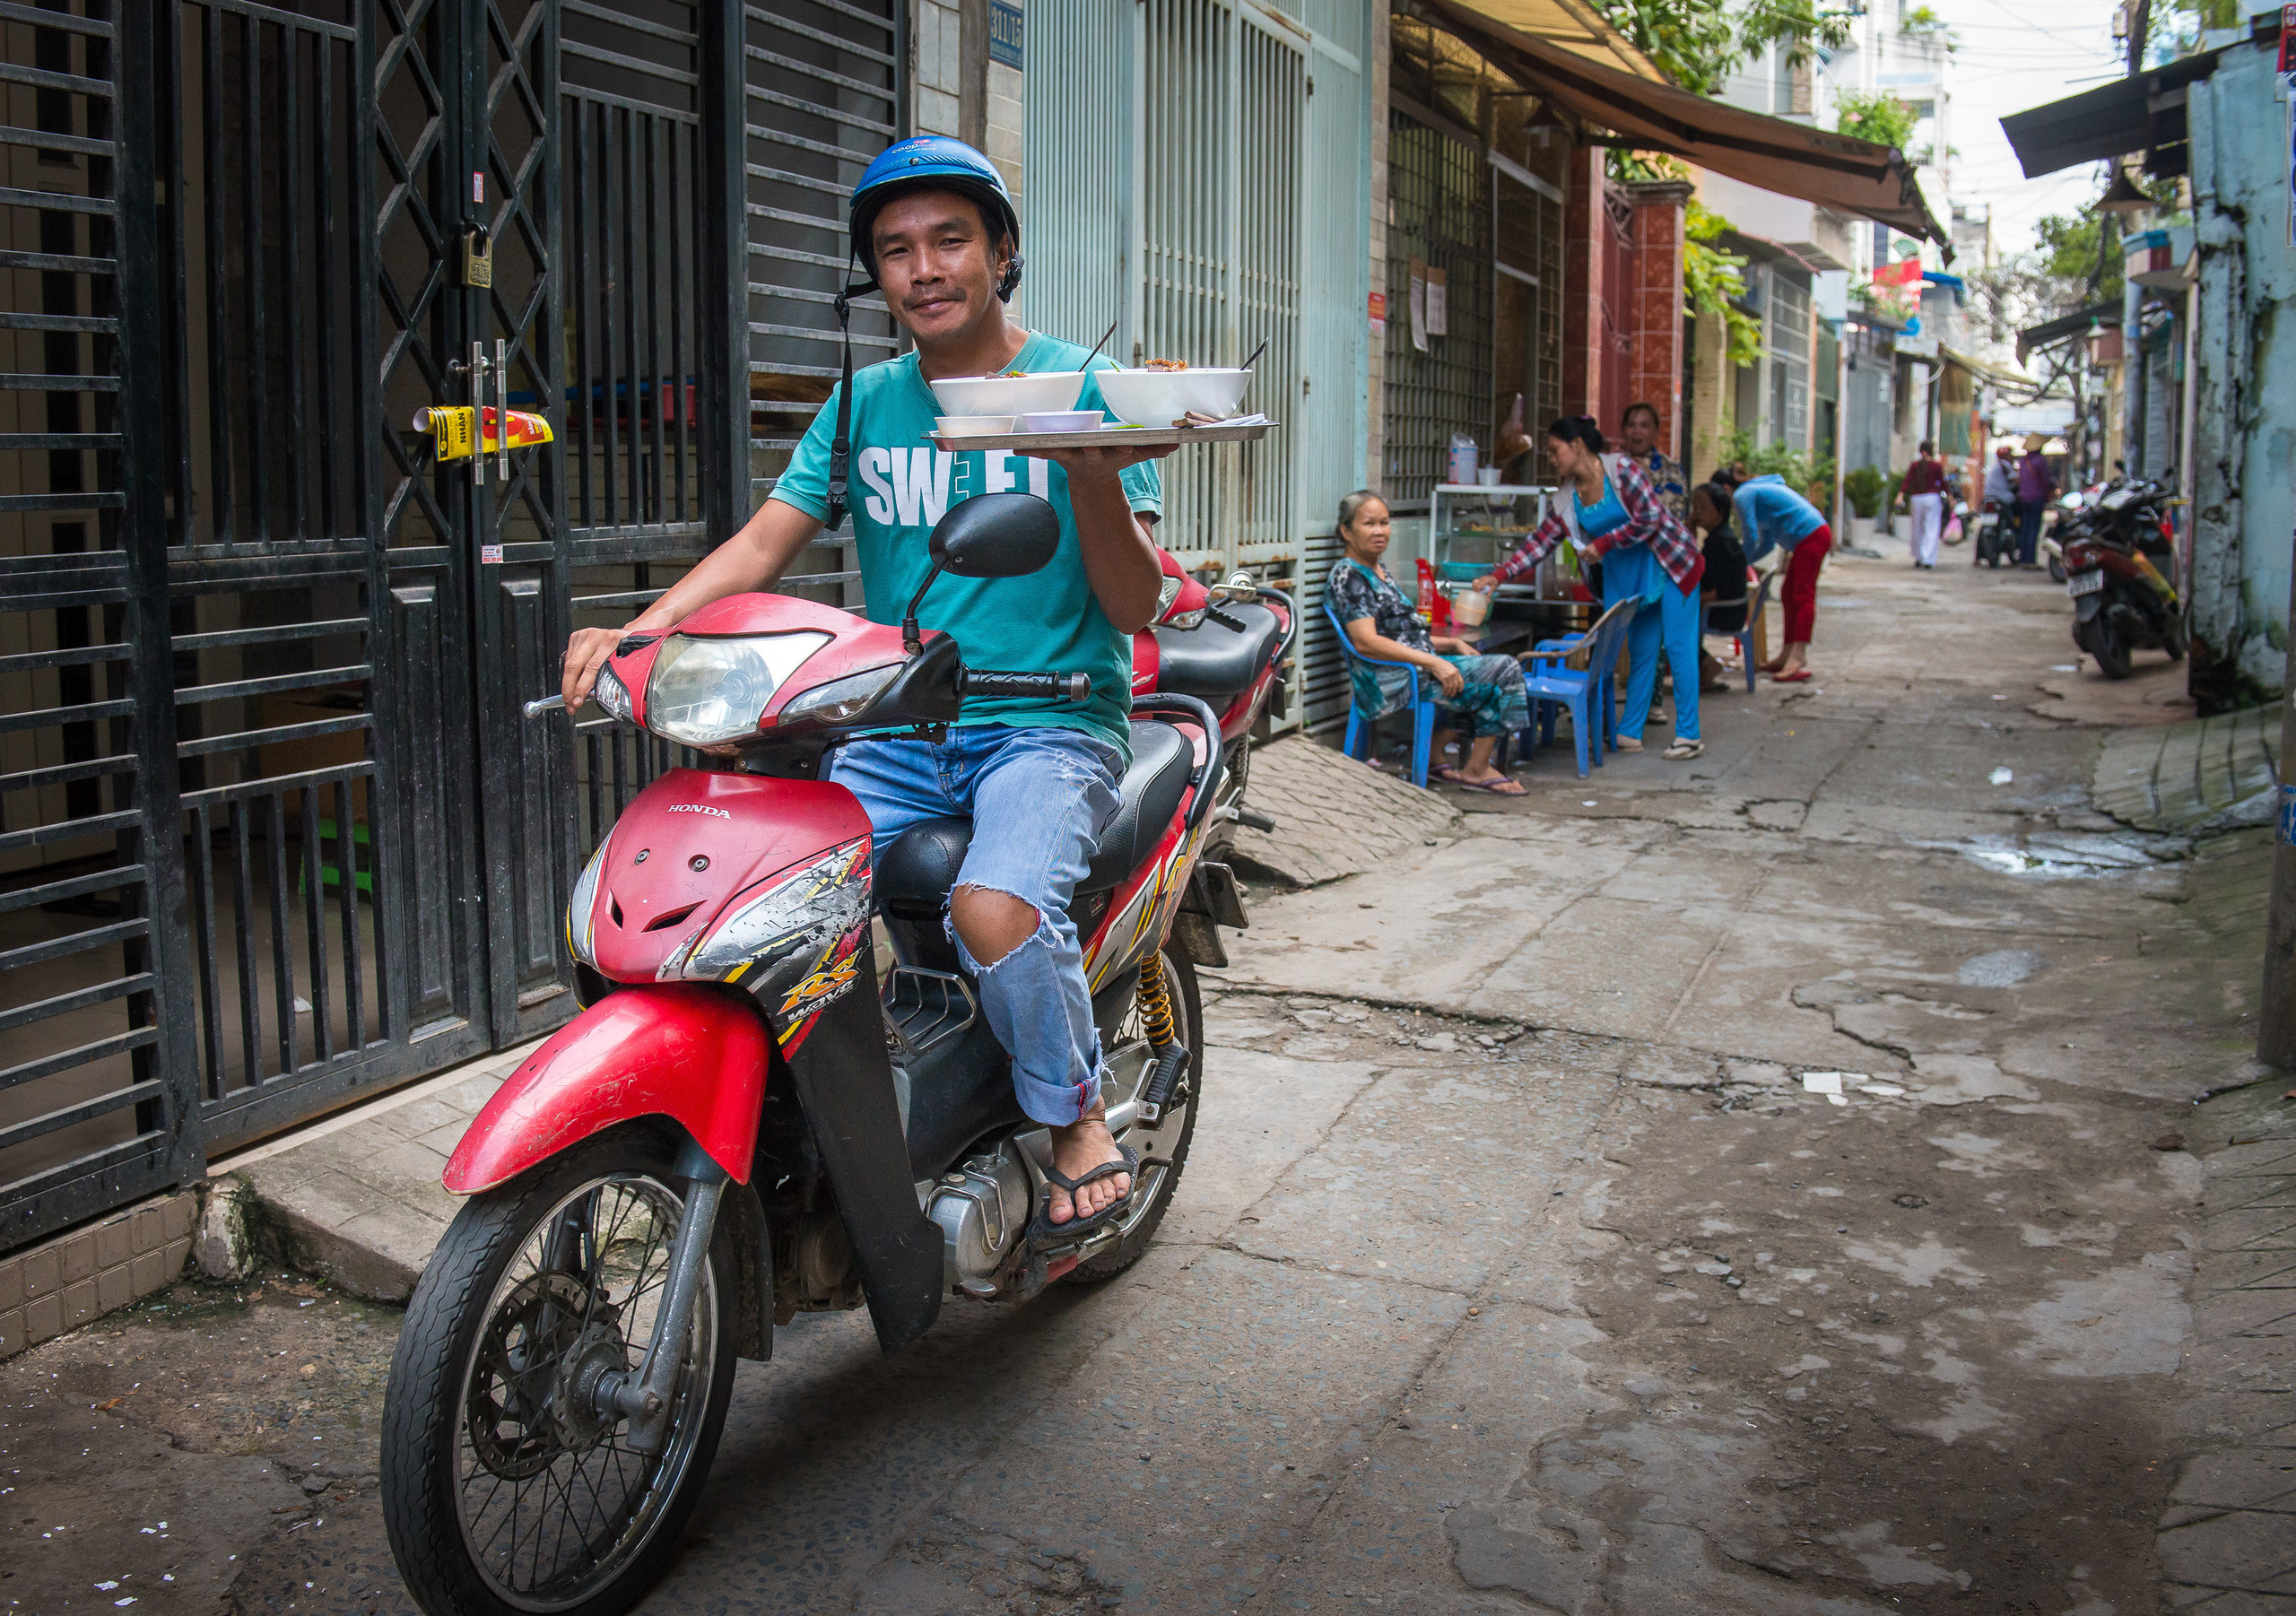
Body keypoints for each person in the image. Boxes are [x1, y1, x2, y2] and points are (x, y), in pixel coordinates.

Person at [559, 136, 1168, 1237]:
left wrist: (1090, 482)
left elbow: (1133, 605)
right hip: (900, 725)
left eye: (950, 240)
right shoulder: (862, 405)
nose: (924, 269)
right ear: (873, 274)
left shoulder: (1081, 389)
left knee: (994, 905)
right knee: (755, 894)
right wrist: (638, 632)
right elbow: (762, 544)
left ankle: (1072, 1111)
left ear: (1002, 252)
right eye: (895, 250)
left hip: (1049, 723)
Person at [1474, 416, 1707, 760]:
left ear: (1578, 444)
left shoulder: (1621, 470)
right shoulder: (1566, 499)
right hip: (1632, 579)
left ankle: (1689, 735)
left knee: (1677, 646)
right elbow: (1540, 543)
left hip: (1672, 563)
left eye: (1556, 450)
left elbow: (1651, 518)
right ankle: (1630, 731)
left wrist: (1605, 543)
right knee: (1642, 650)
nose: (1552, 459)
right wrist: (1500, 574)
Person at [1326, 491, 1529, 795]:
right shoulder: (1349, 577)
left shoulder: (1378, 569)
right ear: (1346, 531)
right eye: (1369, 524)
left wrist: (1450, 645)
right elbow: (1366, 642)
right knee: (1505, 670)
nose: (1380, 531)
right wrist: (1434, 662)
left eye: (1384, 523)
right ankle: (1475, 770)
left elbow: (1402, 634)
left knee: (1489, 671)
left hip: (1413, 667)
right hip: (1390, 677)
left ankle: (1437, 752)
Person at [1727, 467, 1832, 682]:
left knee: (1802, 595)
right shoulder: (1757, 492)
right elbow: (1766, 544)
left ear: (1726, 488)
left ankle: (1798, 656)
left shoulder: (1742, 494)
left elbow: (1751, 537)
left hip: (1811, 536)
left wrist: (1735, 564)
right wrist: (1744, 562)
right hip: (1811, 535)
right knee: (1788, 593)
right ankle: (1787, 653)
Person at [1688, 482, 1747, 692]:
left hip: (1725, 611)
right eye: (1694, 507)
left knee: (1672, 617)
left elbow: (1718, 592)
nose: (1697, 513)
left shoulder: (1721, 543)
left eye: (1703, 507)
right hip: (1719, 606)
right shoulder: (1716, 538)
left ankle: (1707, 664)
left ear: (1720, 512)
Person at [1618, 401, 1689, 524]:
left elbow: (1675, 515)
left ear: (1656, 431)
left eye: (1644, 426)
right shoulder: (1613, 464)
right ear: (1623, 430)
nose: (1637, 431)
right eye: (1631, 425)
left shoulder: (1670, 468)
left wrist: (1646, 480)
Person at [1900, 439, 1947, 569]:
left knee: (1917, 528)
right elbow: (1943, 483)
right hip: (1932, 498)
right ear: (1931, 451)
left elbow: (1907, 480)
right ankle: (1928, 558)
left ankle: (1918, 557)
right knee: (1931, 528)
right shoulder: (1936, 466)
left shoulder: (1914, 465)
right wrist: (1950, 496)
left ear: (1921, 451)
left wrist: (1901, 494)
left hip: (1916, 499)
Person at [2015, 446, 2058, 567]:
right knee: (2033, 530)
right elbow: (2045, 479)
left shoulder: (2023, 460)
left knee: (2025, 529)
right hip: (2036, 498)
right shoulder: (2040, 460)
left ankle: (2023, 559)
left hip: (2023, 498)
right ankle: (2030, 561)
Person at [1981, 442, 2019, 564]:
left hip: (1988, 499)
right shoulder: (2005, 466)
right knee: (2014, 518)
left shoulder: (1994, 467)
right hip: (2003, 499)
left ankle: (1979, 555)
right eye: (2010, 455)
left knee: (1983, 526)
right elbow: (2016, 481)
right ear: (2006, 456)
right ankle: (2014, 538)